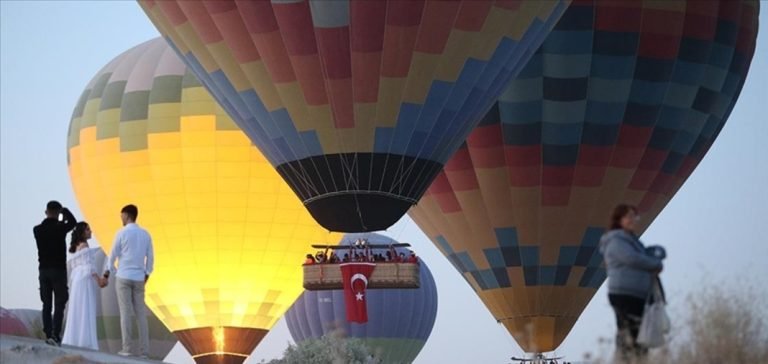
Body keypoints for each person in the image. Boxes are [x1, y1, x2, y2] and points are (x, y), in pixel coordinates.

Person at [599, 204, 663, 362]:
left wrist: (654, 256)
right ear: (619, 219)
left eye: (635, 216)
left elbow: (644, 255)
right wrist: (655, 264)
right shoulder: (616, 241)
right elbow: (632, 258)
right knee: (629, 332)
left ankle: (637, 359)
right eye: (629, 216)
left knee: (639, 333)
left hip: (637, 295)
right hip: (625, 294)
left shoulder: (632, 241)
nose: (633, 220)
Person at [101, 204, 154, 357]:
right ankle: (145, 351)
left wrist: (106, 273)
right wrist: (146, 274)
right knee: (141, 315)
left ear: (126, 215)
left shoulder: (121, 233)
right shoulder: (145, 234)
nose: (121, 219)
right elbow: (150, 258)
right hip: (139, 278)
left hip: (123, 276)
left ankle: (127, 348)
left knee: (125, 313)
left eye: (121, 216)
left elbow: (112, 255)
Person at [33, 200, 77, 346]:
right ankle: (55, 334)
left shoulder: (37, 229)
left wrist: (59, 216)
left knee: (46, 303)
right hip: (58, 270)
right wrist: (64, 211)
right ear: (58, 212)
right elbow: (73, 222)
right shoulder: (60, 228)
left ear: (46, 212)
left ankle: (48, 331)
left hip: (43, 270)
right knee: (60, 303)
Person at [61, 222, 104, 350]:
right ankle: (85, 340)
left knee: (77, 308)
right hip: (85, 280)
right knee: (86, 307)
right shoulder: (85, 246)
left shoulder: (75, 247)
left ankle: (74, 338)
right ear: (82, 232)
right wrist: (99, 280)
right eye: (88, 230)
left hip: (77, 281)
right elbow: (89, 266)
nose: (90, 231)